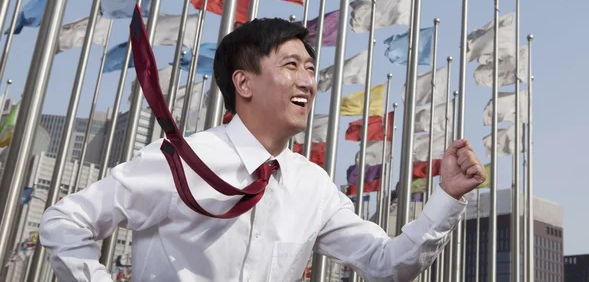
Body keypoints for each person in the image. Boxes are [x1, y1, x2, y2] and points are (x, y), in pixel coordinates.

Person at [39, 18, 486, 282]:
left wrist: (448, 197)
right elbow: (64, 220)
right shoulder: (180, 159)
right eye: (290, 65)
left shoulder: (313, 186)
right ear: (244, 82)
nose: (308, 81)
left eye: (310, 69)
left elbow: (387, 265)